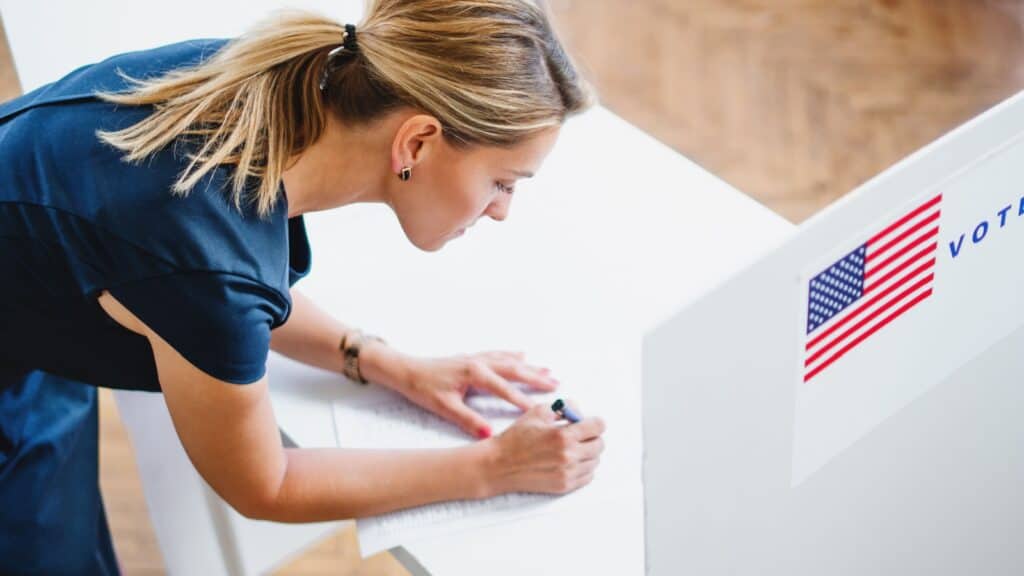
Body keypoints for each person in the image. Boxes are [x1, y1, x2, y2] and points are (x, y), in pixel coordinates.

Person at [0, 1, 607, 573]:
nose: (502, 210)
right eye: (503, 182)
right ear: (417, 141)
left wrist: (381, 361)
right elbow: (268, 484)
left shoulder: (266, 81)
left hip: (29, 297)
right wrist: (494, 467)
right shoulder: (203, 256)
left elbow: (204, 284)